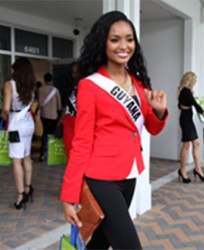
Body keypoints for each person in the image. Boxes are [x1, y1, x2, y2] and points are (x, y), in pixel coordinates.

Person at [60, 11, 168, 249]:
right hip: (101, 178)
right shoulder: (89, 85)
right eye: (115, 39)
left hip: (129, 174)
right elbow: (82, 142)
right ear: (103, 43)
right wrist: (69, 196)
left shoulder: (139, 83)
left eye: (129, 39)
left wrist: (159, 112)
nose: (124, 45)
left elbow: (151, 127)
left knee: (101, 241)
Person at [1, 57, 36, 210]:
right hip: (29, 123)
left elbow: (6, 109)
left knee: (17, 160)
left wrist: (3, 115)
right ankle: (28, 189)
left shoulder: (9, 85)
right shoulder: (31, 86)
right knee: (27, 157)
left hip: (16, 125)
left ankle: (20, 196)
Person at [177, 71, 204, 183]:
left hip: (187, 119)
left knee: (196, 143)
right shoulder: (185, 91)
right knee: (186, 145)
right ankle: (183, 171)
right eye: (194, 80)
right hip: (186, 120)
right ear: (190, 80)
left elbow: (181, 105)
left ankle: (198, 169)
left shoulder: (185, 92)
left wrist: (191, 99)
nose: (195, 83)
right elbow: (196, 105)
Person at [37, 73, 62, 161]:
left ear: (44, 80)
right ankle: (52, 154)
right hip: (53, 115)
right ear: (52, 80)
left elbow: (40, 104)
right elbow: (59, 105)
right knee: (52, 133)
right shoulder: (56, 90)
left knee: (45, 133)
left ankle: (42, 153)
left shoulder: (40, 89)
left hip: (44, 115)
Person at [61, 61, 79, 158]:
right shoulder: (69, 88)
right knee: (70, 152)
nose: (74, 75)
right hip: (69, 121)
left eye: (77, 73)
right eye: (72, 73)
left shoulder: (87, 85)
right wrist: (59, 123)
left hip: (82, 122)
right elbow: (65, 107)